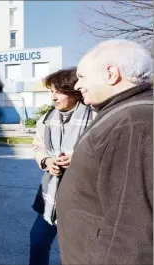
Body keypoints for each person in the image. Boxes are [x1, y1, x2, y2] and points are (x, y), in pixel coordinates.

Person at [56, 39, 153, 264]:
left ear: (111, 74)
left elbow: (132, 227)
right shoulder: (123, 113)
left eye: (82, 77)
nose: (78, 86)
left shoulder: (133, 122)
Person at [30, 67, 95, 265]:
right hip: (50, 197)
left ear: (74, 92)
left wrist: (79, 158)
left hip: (82, 200)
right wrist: (47, 162)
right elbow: (37, 147)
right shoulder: (46, 120)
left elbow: (106, 155)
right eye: (51, 92)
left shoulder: (95, 118)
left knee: (78, 253)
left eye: (58, 91)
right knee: (38, 241)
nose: (54, 97)